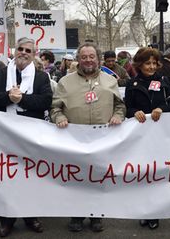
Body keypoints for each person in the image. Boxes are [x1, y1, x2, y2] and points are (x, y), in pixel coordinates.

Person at [50, 42, 126, 233]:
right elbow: (55, 108)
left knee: (99, 178)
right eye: (84, 57)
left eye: (91, 56)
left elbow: (120, 106)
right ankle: (77, 215)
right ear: (78, 59)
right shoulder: (65, 82)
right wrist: (59, 117)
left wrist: (119, 115)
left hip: (103, 141)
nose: (88, 60)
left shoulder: (110, 81)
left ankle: (96, 216)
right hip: (74, 141)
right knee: (77, 179)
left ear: (98, 59)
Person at [0, 37, 51, 237]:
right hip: (4, 134)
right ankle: (7, 220)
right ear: (14, 51)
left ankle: (31, 216)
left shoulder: (41, 78)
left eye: (28, 50)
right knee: (6, 177)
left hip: (31, 135)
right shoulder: (0, 75)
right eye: (20, 49)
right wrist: (8, 97)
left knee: (30, 177)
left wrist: (22, 99)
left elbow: (46, 101)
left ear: (34, 54)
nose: (23, 52)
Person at [124, 47, 170, 230]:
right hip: (140, 138)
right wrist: (134, 112)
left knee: (157, 176)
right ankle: (143, 211)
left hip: (161, 136)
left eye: (154, 63)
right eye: (148, 63)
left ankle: (155, 213)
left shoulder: (163, 80)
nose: (152, 66)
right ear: (140, 64)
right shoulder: (132, 84)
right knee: (142, 175)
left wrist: (162, 109)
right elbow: (127, 108)